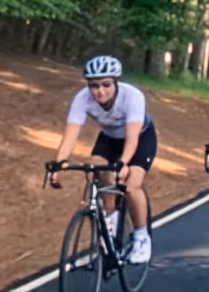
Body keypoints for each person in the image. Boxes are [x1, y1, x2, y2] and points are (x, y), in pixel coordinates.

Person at [52, 55, 155, 264]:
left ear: (116, 82)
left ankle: (142, 237)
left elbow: (133, 137)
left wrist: (124, 163)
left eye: (106, 84)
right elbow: (71, 135)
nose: (100, 91)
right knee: (93, 169)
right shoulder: (82, 99)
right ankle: (109, 219)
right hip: (109, 138)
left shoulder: (132, 96)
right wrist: (58, 163)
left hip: (140, 139)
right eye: (94, 85)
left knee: (131, 186)